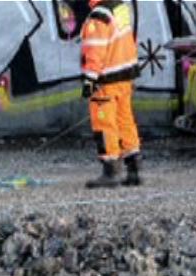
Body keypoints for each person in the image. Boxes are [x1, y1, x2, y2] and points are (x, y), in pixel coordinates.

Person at [81, 0, 141, 188]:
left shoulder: (99, 16)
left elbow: (95, 50)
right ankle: (133, 169)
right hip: (124, 75)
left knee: (104, 124)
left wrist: (90, 79)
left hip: (106, 79)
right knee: (125, 121)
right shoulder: (119, 7)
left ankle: (111, 171)